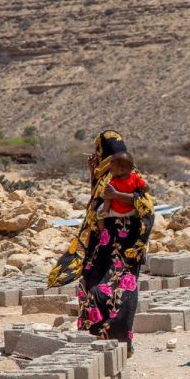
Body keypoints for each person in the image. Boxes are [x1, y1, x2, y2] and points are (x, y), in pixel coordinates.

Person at [48, 130, 154, 355]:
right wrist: (92, 176)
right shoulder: (107, 171)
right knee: (92, 286)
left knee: (120, 291)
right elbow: (97, 200)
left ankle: (120, 344)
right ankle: (96, 341)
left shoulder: (129, 173)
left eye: (99, 150)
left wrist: (117, 197)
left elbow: (145, 205)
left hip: (123, 244)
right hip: (103, 243)